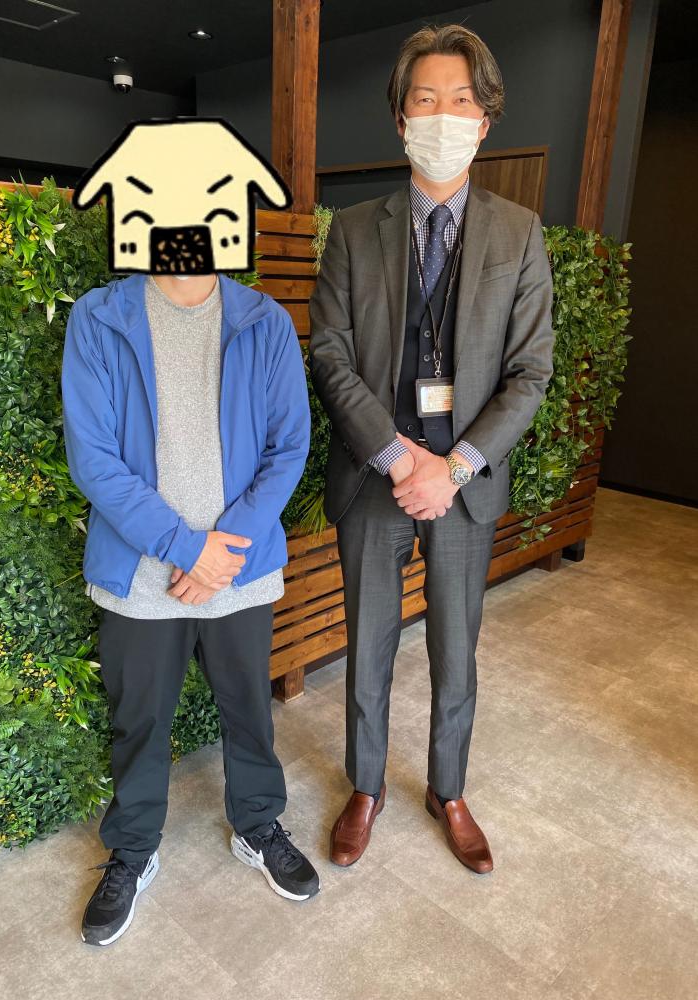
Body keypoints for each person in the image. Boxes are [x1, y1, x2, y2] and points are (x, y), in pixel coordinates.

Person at [309, 23, 554, 874]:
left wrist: (450, 467)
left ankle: (448, 789)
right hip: (376, 475)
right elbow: (330, 353)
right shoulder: (353, 230)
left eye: (460, 101)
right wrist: (396, 455)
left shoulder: (520, 233)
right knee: (369, 643)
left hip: (463, 483)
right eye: (425, 100)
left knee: (457, 649)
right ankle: (366, 786)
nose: (442, 117)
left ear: (484, 121)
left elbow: (529, 372)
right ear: (400, 118)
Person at [62, 268, 319, 947]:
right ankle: (133, 849)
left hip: (239, 567)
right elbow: (92, 458)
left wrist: (221, 554)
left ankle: (257, 825)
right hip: (141, 571)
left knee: (248, 708)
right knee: (139, 720)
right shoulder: (100, 317)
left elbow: (288, 446)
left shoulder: (263, 321)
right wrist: (186, 548)